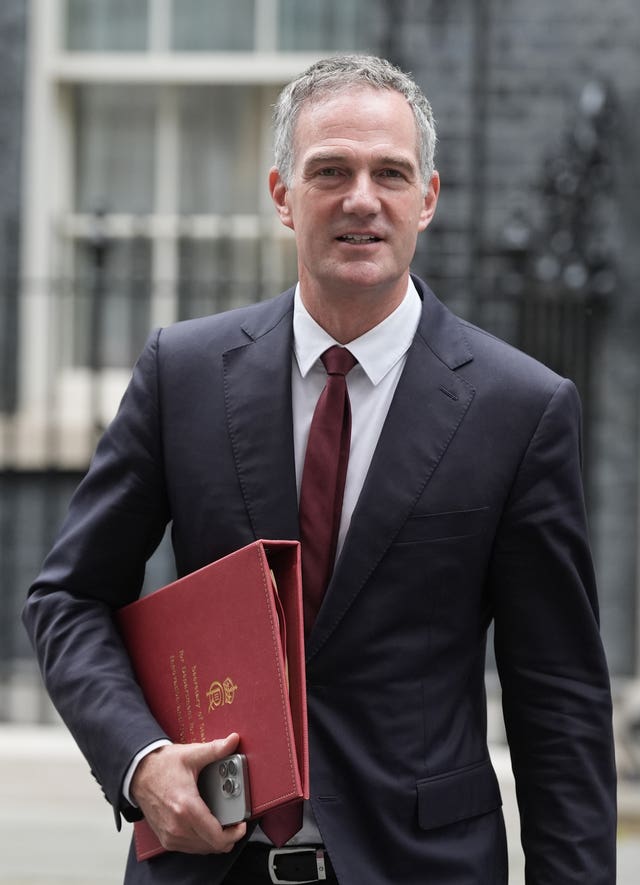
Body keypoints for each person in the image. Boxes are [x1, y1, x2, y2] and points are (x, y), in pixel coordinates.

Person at [23, 54, 616, 884]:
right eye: (329, 170)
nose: (361, 198)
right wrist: (140, 758)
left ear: (429, 198)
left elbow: (559, 699)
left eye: (390, 173)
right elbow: (68, 597)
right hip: (207, 864)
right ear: (282, 195)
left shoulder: (521, 407)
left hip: (420, 863)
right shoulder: (182, 372)